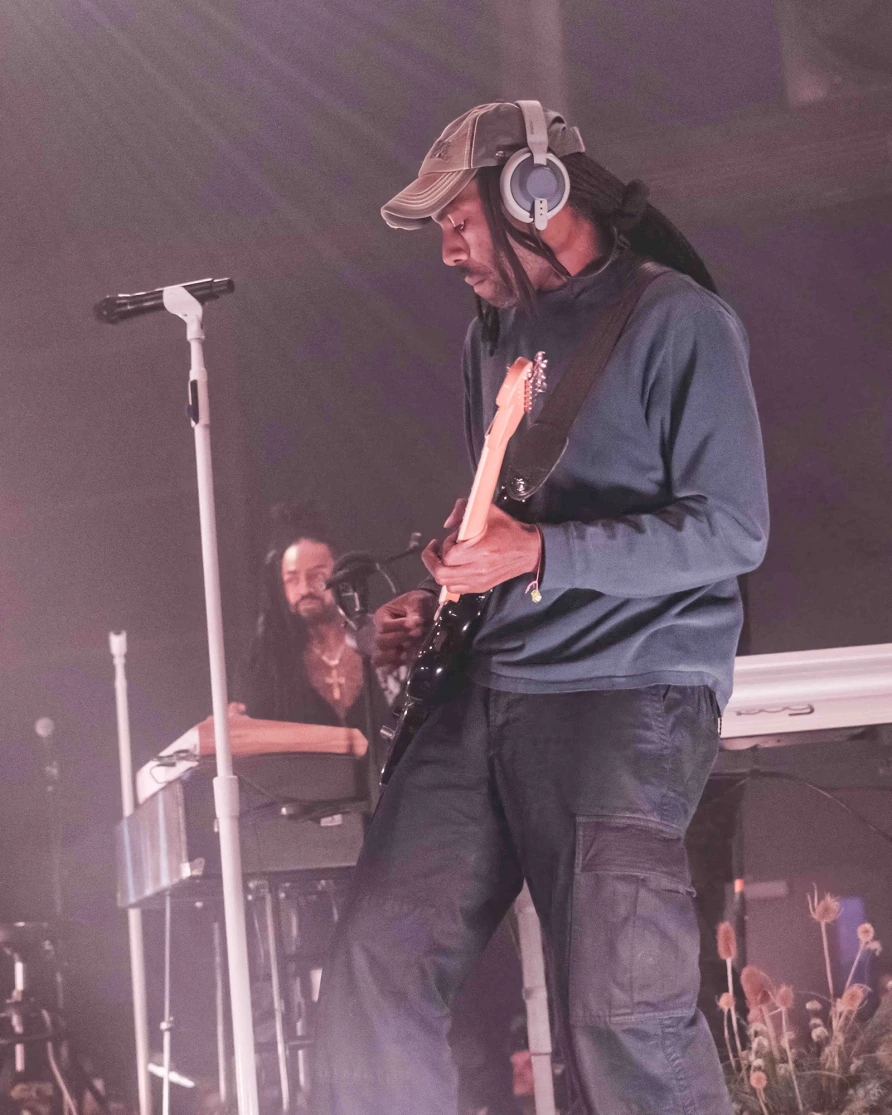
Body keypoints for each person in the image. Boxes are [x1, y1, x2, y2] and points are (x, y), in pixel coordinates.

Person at [315, 101, 769, 1115]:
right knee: (371, 969)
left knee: (623, 1015)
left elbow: (733, 530)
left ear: (534, 191)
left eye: (455, 220)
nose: (446, 251)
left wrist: (541, 552)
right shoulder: (494, 336)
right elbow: (510, 510)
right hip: (489, 689)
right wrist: (450, 574)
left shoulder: (678, 322)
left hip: (625, 693)